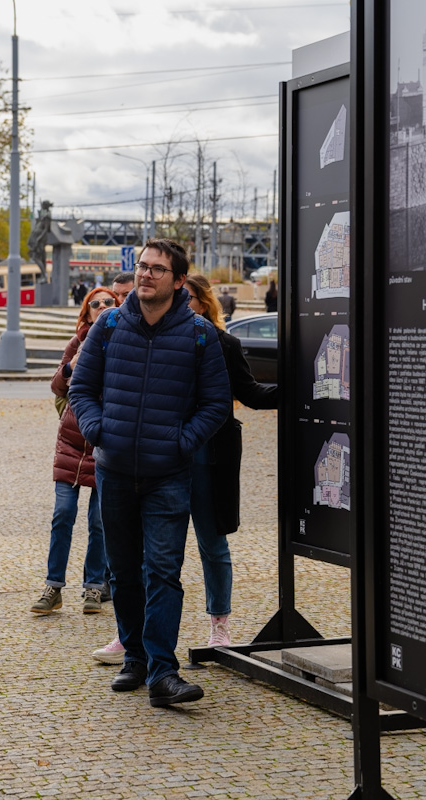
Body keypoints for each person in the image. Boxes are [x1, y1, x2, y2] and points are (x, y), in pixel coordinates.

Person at [69, 237, 231, 707]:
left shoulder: (199, 334)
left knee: (163, 570)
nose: (146, 274)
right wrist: (101, 431)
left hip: (168, 475)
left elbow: (216, 403)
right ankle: (134, 658)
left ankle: (163, 672)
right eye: (142, 266)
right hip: (114, 471)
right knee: (123, 571)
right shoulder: (110, 325)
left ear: (179, 280)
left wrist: (180, 442)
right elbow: (82, 387)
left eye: (158, 269)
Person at [183, 273, 277, 647]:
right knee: (153, 549)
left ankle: (219, 624)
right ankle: (135, 634)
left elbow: (251, 394)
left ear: (202, 304)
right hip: (161, 456)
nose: (178, 304)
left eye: (186, 298)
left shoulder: (224, 343)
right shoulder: (151, 339)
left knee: (212, 543)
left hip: (210, 455)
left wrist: (308, 387)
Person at [31, 286, 121, 616]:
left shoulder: (126, 342)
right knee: (62, 516)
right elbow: (57, 385)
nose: (101, 306)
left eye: (108, 302)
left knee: (99, 522)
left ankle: (94, 588)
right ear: (87, 311)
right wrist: (72, 366)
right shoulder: (78, 341)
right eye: (94, 304)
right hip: (70, 443)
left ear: (118, 307)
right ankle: (53, 587)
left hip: (103, 445)